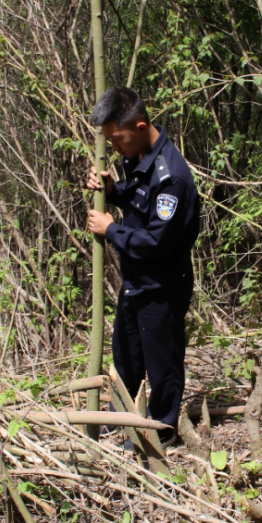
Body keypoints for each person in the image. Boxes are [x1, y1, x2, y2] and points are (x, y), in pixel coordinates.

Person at [86, 88, 200, 447]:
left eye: (117, 139)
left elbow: (156, 241)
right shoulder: (141, 156)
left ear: (139, 126)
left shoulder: (172, 177)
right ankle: (123, 417)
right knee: (127, 354)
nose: (115, 147)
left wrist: (110, 229)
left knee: (161, 362)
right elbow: (139, 200)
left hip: (162, 284)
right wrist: (112, 189)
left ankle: (162, 432)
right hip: (136, 279)